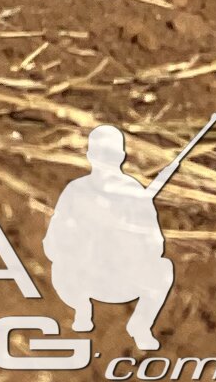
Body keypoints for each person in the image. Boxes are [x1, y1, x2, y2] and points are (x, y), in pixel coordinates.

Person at [44, 123, 174, 350]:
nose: (105, 159)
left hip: (121, 278)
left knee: (163, 270)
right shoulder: (76, 191)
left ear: (121, 156)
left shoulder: (133, 192)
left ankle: (141, 325)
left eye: (110, 154)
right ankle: (81, 310)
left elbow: (156, 244)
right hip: (82, 277)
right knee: (62, 265)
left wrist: (129, 235)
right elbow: (53, 240)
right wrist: (80, 240)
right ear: (90, 155)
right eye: (100, 153)